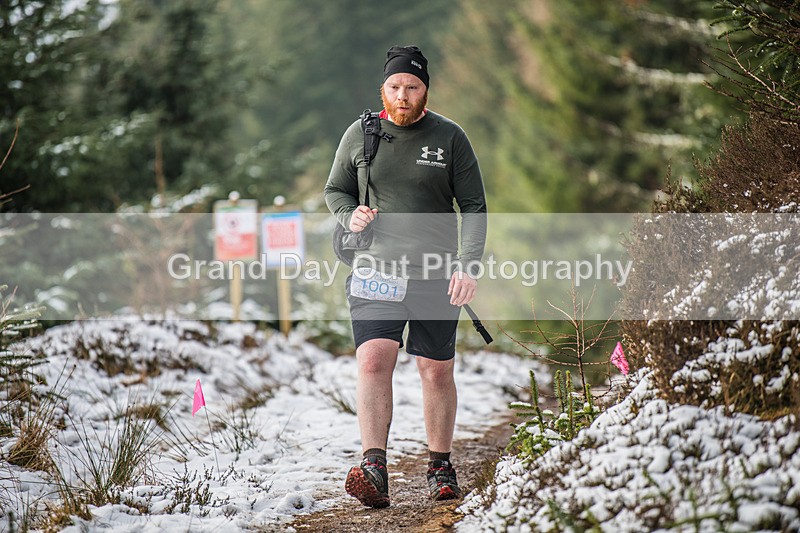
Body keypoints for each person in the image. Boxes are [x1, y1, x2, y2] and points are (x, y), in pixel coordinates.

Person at [324, 45, 487, 508]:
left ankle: (440, 464)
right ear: (384, 89)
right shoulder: (361, 134)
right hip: (375, 269)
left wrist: (467, 266)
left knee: (435, 370)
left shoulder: (451, 138)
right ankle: (374, 467)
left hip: (436, 274)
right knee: (374, 359)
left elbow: (474, 206)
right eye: (394, 86)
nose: (402, 95)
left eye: (411, 87)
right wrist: (348, 213)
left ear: (425, 91)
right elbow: (335, 188)